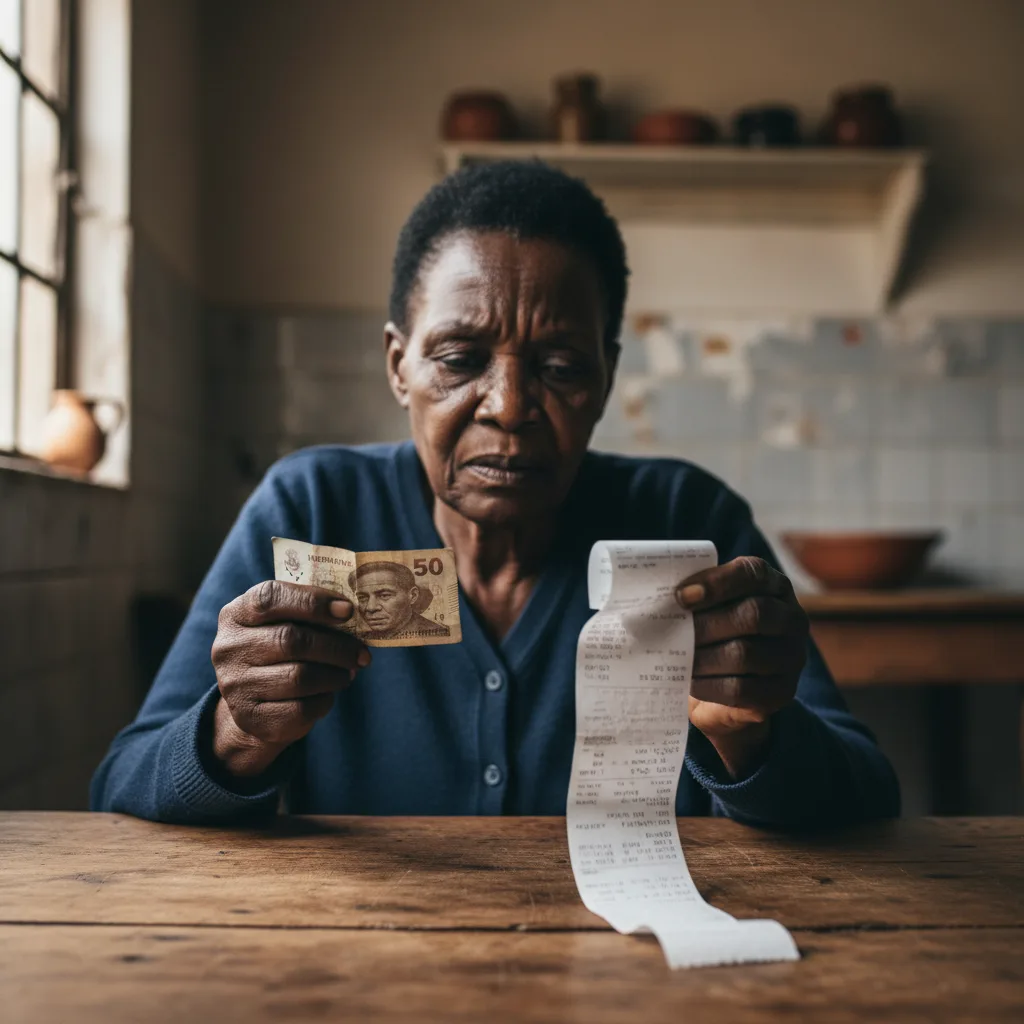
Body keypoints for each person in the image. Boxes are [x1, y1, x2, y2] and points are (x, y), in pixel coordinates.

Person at [92, 161, 899, 825]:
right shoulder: (313, 508)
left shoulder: (688, 523)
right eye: (459, 358)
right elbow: (122, 783)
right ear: (397, 365)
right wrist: (234, 731)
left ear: (607, 378)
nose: (509, 407)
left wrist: (756, 735)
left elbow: (870, 796)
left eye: (560, 367)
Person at [350, 561, 451, 639]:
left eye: (384, 595)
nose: (370, 607)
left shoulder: (435, 633)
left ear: (413, 595)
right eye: (362, 598)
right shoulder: (362, 637)